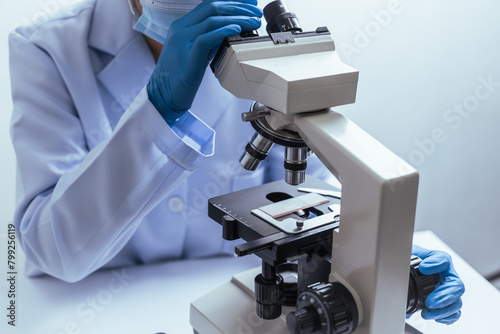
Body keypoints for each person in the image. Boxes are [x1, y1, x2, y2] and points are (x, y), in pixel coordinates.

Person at [9, 0, 464, 325]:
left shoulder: (263, 48)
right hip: (89, 308)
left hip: (241, 287)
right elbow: (51, 250)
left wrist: (380, 256)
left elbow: (319, 197)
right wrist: (158, 110)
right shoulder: (48, 49)